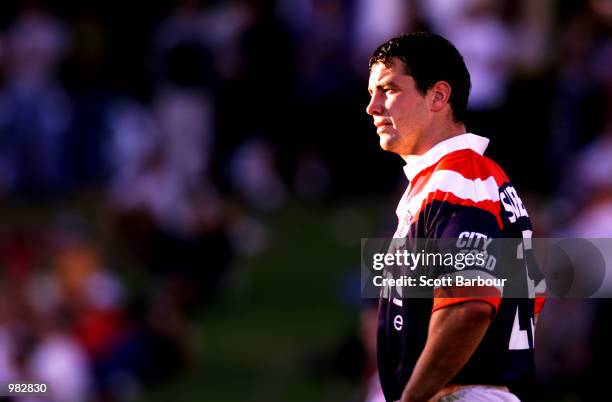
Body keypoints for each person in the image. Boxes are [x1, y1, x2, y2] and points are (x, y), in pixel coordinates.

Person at [365, 32, 545, 402]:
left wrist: (412, 398)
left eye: (388, 89)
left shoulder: (459, 179)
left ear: (438, 96)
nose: (373, 106)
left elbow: (470, 304)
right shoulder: (468, 180)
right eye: (371, 93)